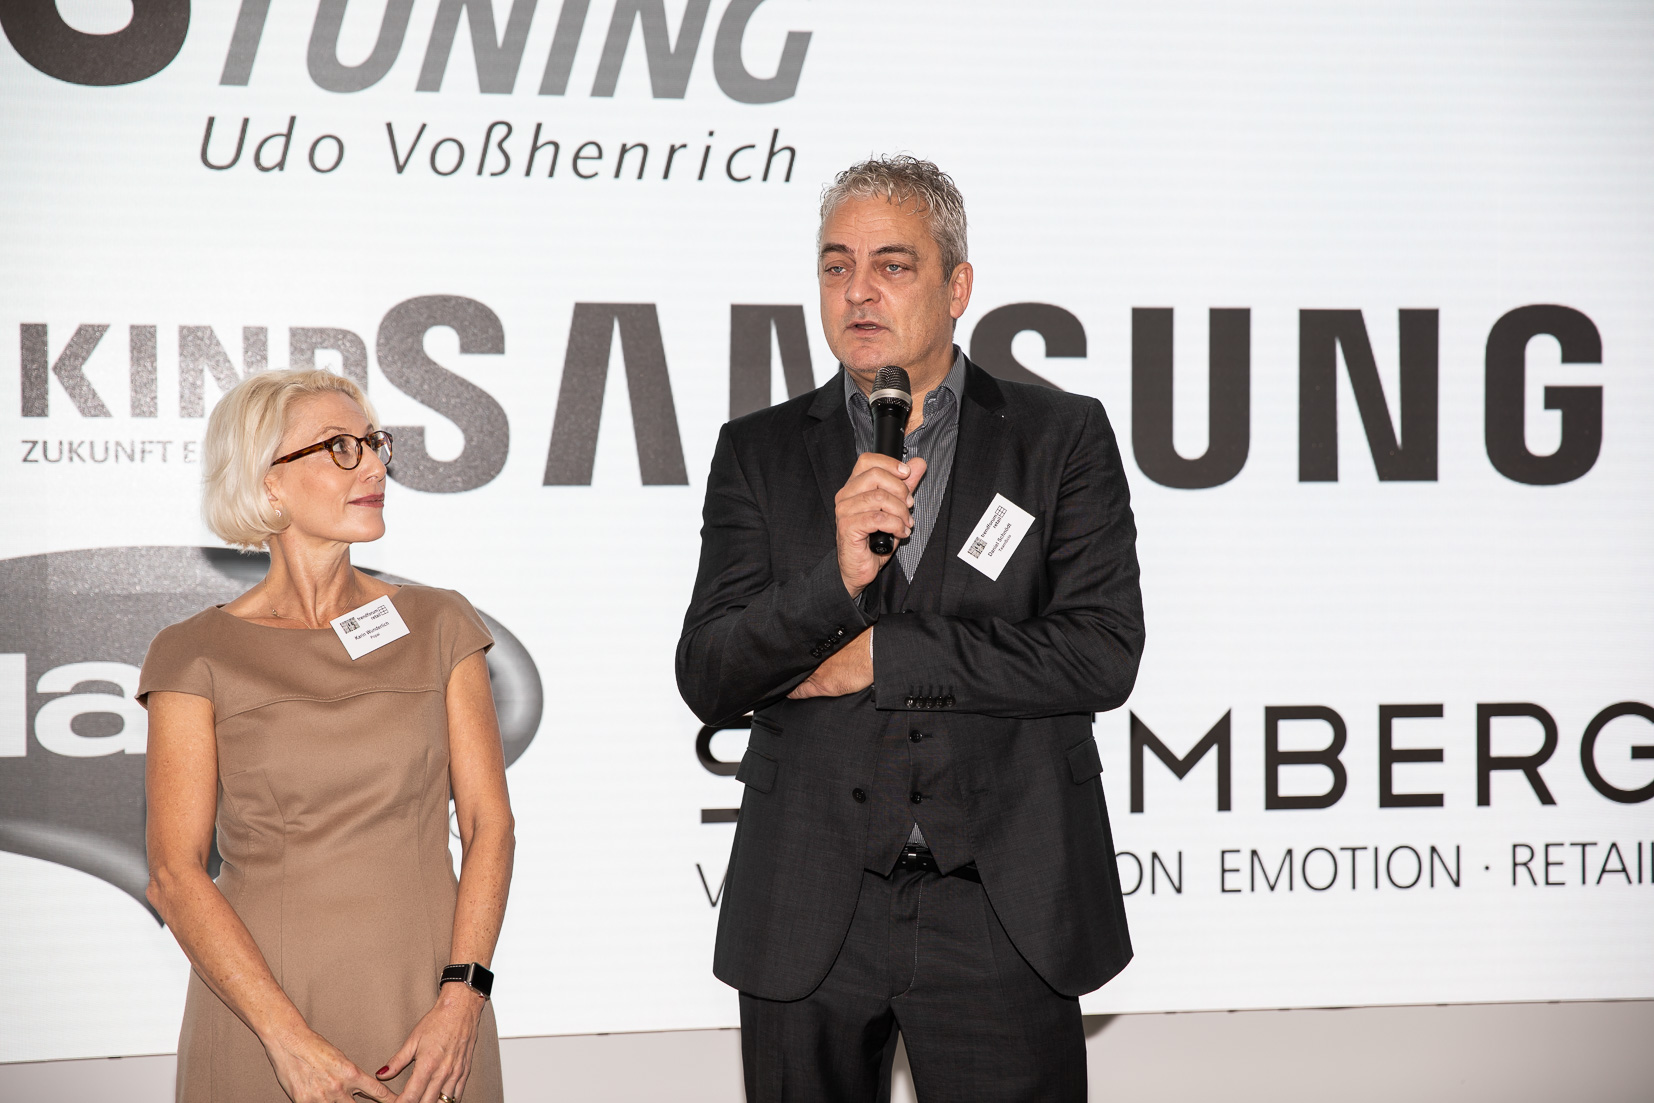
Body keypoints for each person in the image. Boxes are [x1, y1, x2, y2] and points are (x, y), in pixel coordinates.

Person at [677, 156, 1145, 1101]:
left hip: (1003, 903)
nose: (858, 291)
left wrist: (884, 656)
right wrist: (835, 580)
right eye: (836, 265)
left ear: (956, 286)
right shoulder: (758, 451)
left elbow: (1101, 649)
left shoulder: (1060, 436)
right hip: (811, 903)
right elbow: (711, 672)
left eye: (892, 265)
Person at [140, 369, 515, 1103]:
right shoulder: (194, 653)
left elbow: (488, 824)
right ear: (268, 481)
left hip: (432, 1012)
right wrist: (288, 1040)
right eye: (340, 447)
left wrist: (464, 995)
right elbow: (174, 874)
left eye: (374, 444)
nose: (373, 466)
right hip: (261, 1018)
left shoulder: (441, 624)